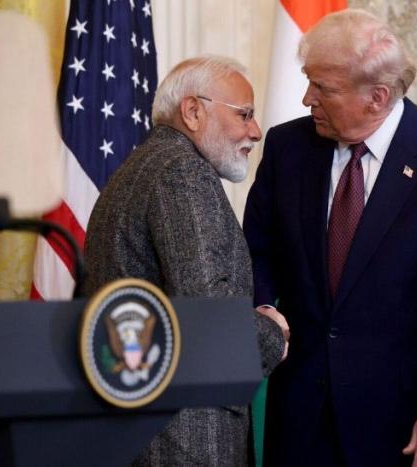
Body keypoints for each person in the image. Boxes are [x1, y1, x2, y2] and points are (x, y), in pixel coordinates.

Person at [243, 9, 417, 467]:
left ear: (377, 97)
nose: (307, 99)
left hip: (410, 422)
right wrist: (264, 307)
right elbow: (255, 250)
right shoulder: (288, 147)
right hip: (305, 420)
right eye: (308, 82)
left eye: (323, 88)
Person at [84, 55, 289, 467]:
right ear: (193, 111)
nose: (255, 131)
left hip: (143, 425)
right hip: (187, 435)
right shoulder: (182, 172)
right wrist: (273, 333)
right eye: (244, 114)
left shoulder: (140, 168)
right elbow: (206, 309)